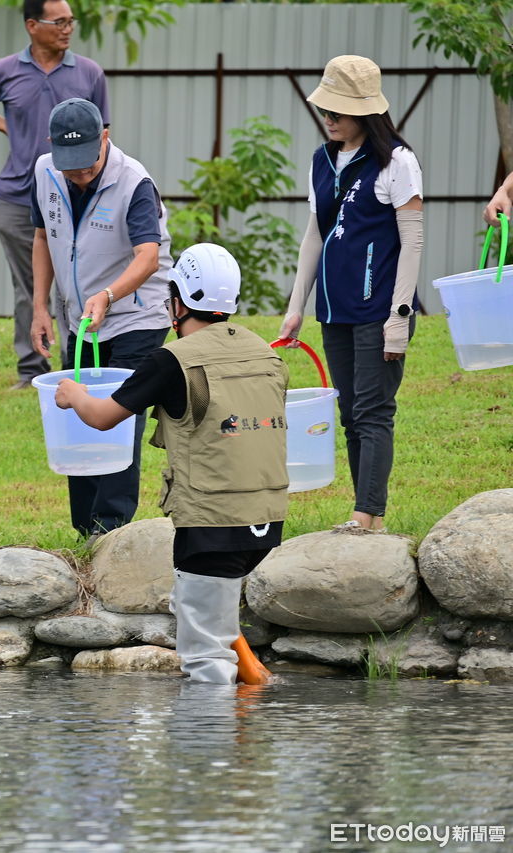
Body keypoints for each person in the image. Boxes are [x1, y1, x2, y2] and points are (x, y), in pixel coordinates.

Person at [55, 244, 287, 685]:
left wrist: (73, 395)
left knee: (204, 659)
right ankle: (254, 695)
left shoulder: (171, 360)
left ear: (178, 302)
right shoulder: (264, 352)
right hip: (266, 520)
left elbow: (104, 418)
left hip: (211, 526)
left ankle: (207, 750)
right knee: (197, 607)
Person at [279, 55, 423, 533]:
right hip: (335, 311)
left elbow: (413, 241)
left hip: (380, 308)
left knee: (373, 411)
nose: (329, 118)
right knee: (349, 414)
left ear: (366, 113)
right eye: (326, 109)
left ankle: (368, 515)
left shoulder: (397, 162)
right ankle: (368, 516)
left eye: (337, 111)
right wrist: (296, 306)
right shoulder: (322, 161)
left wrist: (399, 316)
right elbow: (314, 236)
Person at [29, 98, 172, 538]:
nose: (78, 174)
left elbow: (148, 257)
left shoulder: (134, 183)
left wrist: (109, 295)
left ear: (105, 138)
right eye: (70, 165)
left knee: (118, 415)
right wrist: (39, 306)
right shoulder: (44, 171)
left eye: (87, 166)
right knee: (76, 411)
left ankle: (110, 529)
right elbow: (41, 235)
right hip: (81, 319)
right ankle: (84, 526)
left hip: (135, 317)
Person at [0, 0, 109, 390]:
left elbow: (104, 134)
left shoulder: (89, 73)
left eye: (70, 21)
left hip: (75, 196)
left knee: (75, 282)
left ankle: (72, 367)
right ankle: (31, 372)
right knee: (29, 287)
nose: (67, 28)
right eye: (59, 21)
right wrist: (7, 126)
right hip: (15, 195)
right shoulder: (5, 71)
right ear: (32, 25)